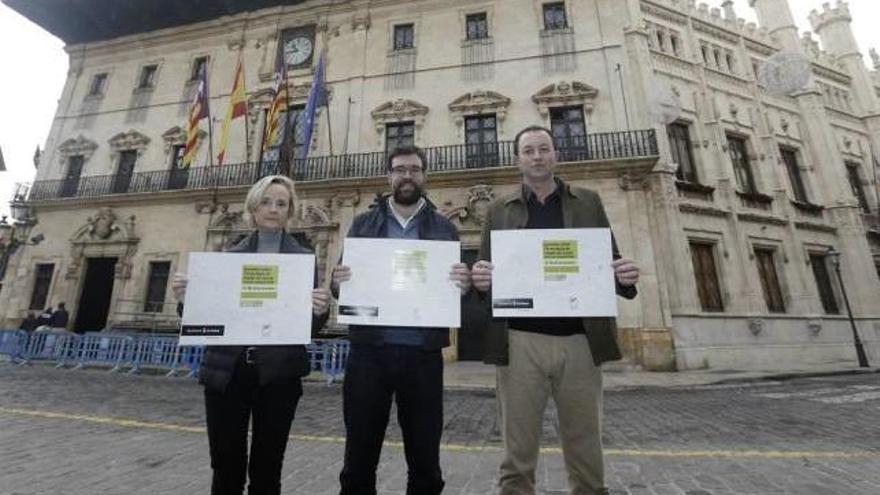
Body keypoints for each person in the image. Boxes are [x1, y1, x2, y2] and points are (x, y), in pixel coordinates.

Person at [471, 126, 640, 495]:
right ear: (518, 159)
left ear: (555, 155)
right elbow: (485, 270)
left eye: (543, 149)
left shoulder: (588, 201)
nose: (536, 156)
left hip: (580, 341)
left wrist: (625, 275)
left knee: (586, 446)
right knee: (516, 452)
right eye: (528, 150)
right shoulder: (499, 209)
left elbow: (608, 262)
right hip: (518, 342)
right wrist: (480, 280)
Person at [172, 175, 332, 495]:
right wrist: (186, 301)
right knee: (225, 466)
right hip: (227, 374)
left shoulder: (303, 261)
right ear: (253, 208)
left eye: (281, 203)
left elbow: (306, 329)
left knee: (268, 469)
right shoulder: (228, 258)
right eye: (266, 202)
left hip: (278, 377)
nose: (273, 209)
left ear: (290, 212)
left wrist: (318, 311)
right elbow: (205, 319)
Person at [332, 146, 471, 495]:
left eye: (414, 169)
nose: (407, 176)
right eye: (399, 169)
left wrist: (463, 285)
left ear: (424, 176)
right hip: (369, 353)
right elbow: (341, 286)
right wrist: (338, 282)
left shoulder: (444, 228)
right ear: (388, 176)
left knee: (425, 458)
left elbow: (453, 290)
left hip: (422, 354)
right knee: (359, 455)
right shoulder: (363, 224)